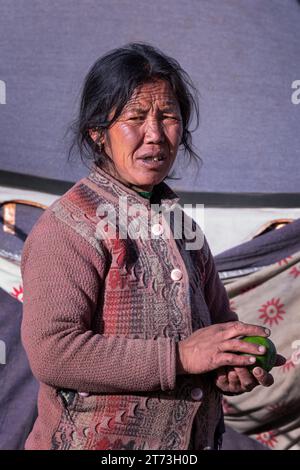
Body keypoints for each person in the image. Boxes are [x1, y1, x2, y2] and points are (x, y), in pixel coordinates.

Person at [21, 43, 285, 450]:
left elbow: (215, 330)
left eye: (168, 117)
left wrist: (228, 366)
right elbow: (53, 351)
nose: (156, 135)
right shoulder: (69, 227)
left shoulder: (184, 230)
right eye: (135, 118)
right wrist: (180, 357)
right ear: (97, 133)